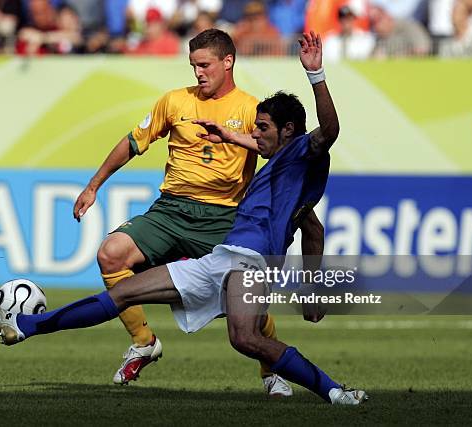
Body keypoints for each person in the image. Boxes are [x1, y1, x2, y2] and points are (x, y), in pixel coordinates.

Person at [0, 31, 368, 405]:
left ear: (288, 131)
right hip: (222, 255)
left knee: (245, 338)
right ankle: (25, 327)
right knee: (122, 293)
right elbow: (313, 231)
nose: (255, 134)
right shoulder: (277, 171)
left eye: (262, 129)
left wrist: (315, 76)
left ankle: (334, 391)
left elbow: (328, 131)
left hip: (250, 263)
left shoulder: (302, 154)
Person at [72, 28, 323, 394]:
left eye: (204, 65)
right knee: (111, 254)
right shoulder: (174, 102)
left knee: (241, 308)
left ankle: (271, 371)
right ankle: (144, 342)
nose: (198, 73)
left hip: (225, 217)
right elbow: (132, 142)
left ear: (227, 62)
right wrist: (94, 185)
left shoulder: (252, 110)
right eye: (193, 66)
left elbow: (274, 152)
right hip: (171, 211)